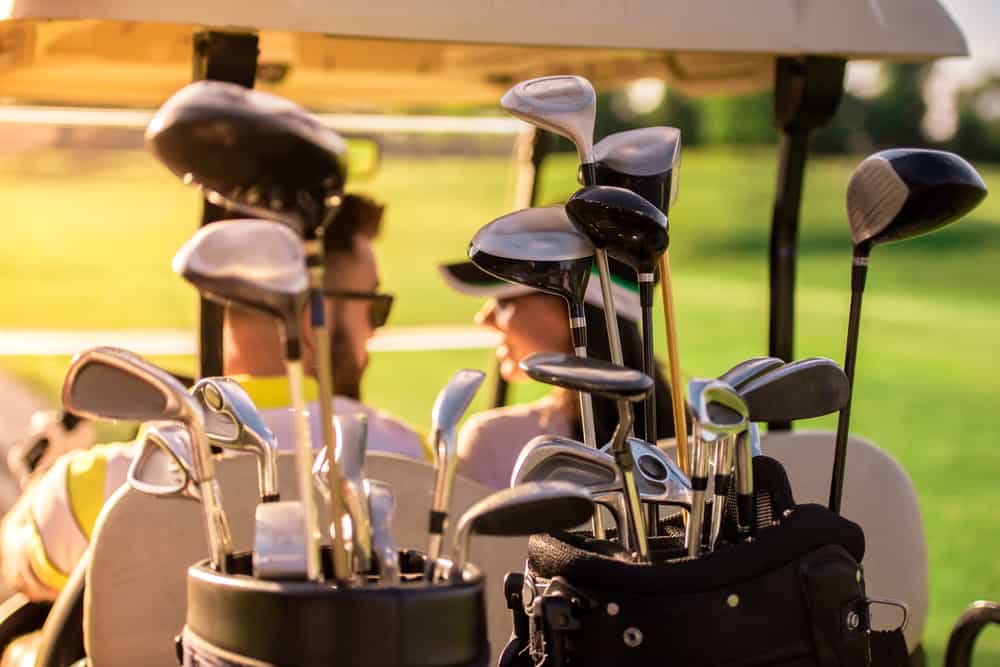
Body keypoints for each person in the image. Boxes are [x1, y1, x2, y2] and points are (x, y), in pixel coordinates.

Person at [0, 193, 424, 602]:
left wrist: (45, 473)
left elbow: (16, 565)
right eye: (374, 308)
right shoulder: (418, 460)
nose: (375, 331)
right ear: (310, 319)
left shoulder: (101, 484)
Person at [439, 258, 676, 490]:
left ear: (578, 313)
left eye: (505, 302)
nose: (484, 318)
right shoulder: (691, 443)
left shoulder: (492, 439)